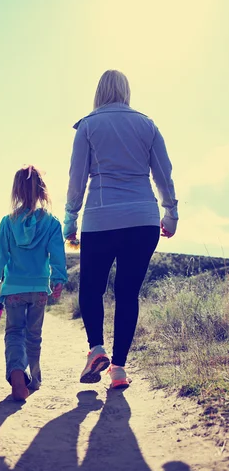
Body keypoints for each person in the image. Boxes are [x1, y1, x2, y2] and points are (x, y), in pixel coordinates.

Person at [64, 70, 178, 389]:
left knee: (91, 289)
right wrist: (171, 214)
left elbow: (77, 179)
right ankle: (118, 370)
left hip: (100, 219)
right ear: (126, 91)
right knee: (127, 293)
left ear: (98, 91)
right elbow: (163, 174)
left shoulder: (87, 126)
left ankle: (97, 349)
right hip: (142, 219)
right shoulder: (147, 125)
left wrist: (70, 220)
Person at [0, 166, 68, 400]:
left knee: (14, 333)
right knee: (34, 335)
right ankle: (36, 377)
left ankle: (17, 374)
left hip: (13, 290)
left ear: (17, 191)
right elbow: (57, 256)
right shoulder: (51, 223)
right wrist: (58, 279)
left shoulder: (7, 222)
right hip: (39, 289)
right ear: (42, 191)